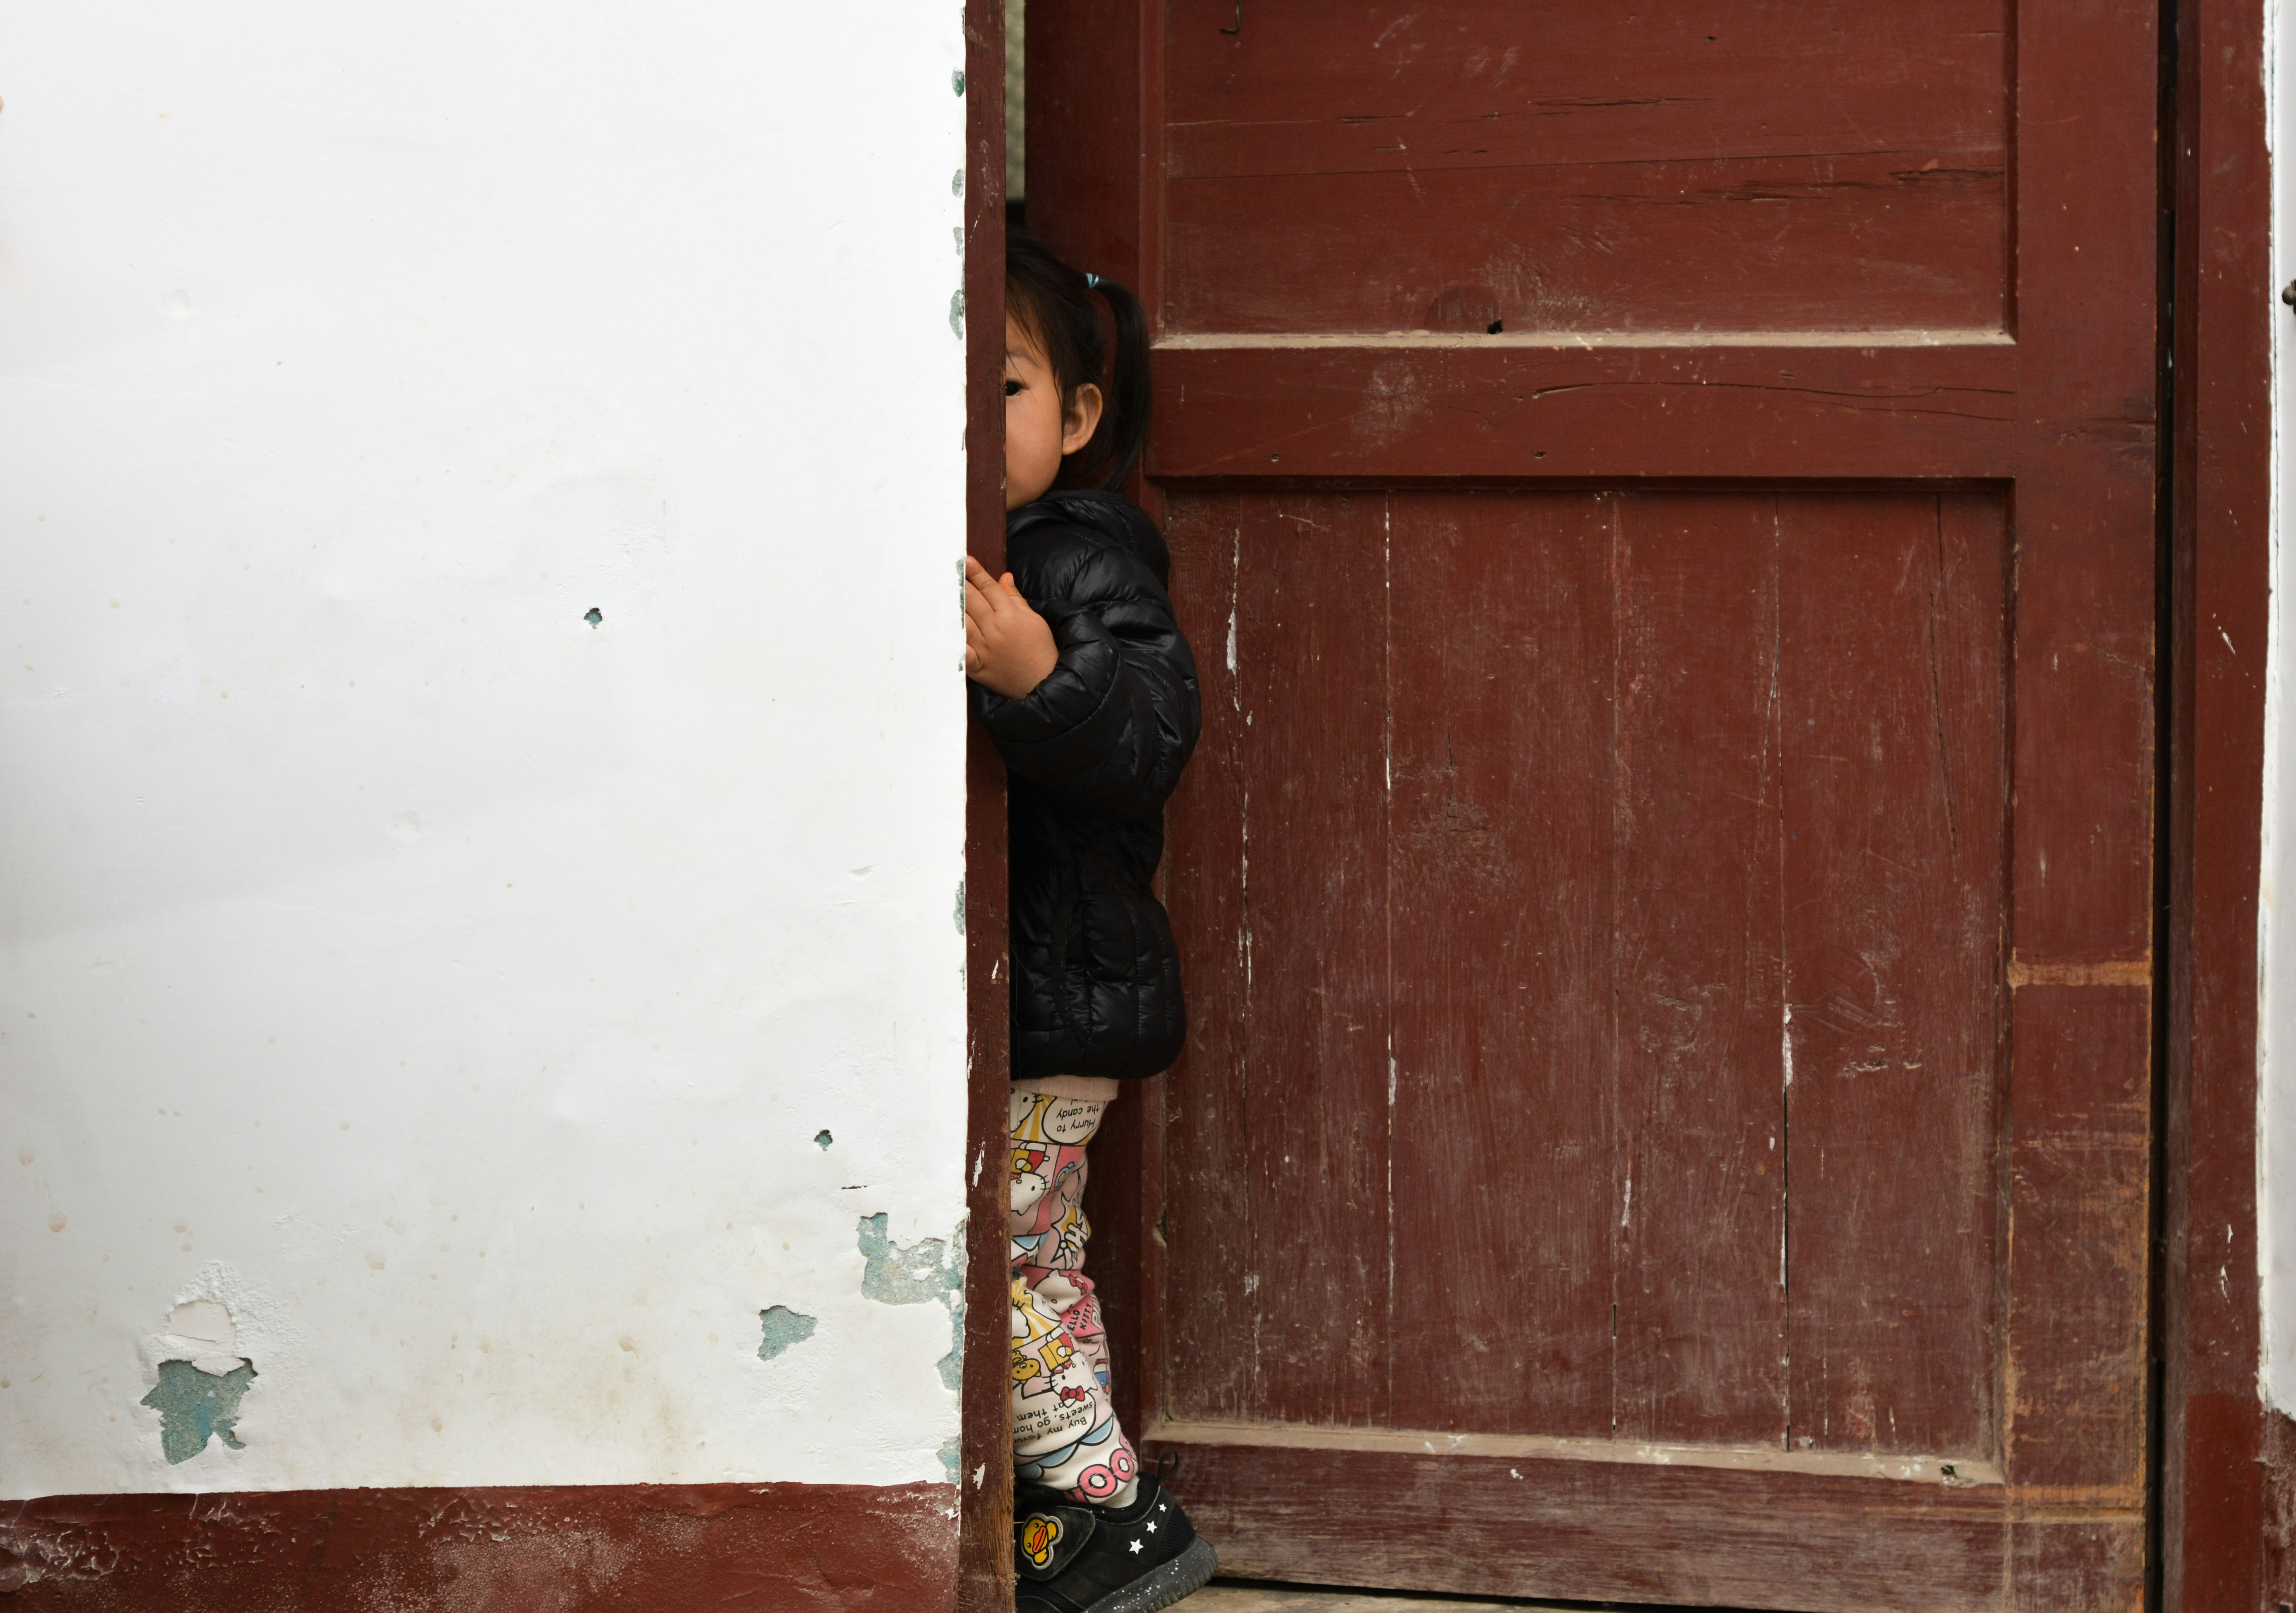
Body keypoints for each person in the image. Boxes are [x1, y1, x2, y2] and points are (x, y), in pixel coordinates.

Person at [964, 226, 1216, 1613]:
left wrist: (1037, 668)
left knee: (1010, 1249)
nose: (969, 418)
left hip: (1070, 992)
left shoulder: (1081, 560)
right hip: (1026, 994)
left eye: (1001, 388)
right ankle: (1081, 1505)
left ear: (1076, 415)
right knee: (1026, 1252)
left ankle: (1106, 1506)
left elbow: (1147, 734)